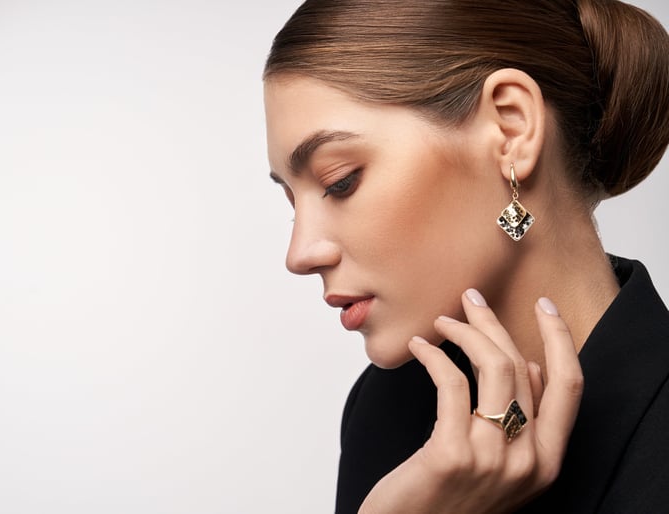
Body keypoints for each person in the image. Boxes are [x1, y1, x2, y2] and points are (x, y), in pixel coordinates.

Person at [262, 0, 669, 512]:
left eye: (339, 181)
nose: (299, 254)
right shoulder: (390, 409)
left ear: (511, 129)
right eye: (291, 201)